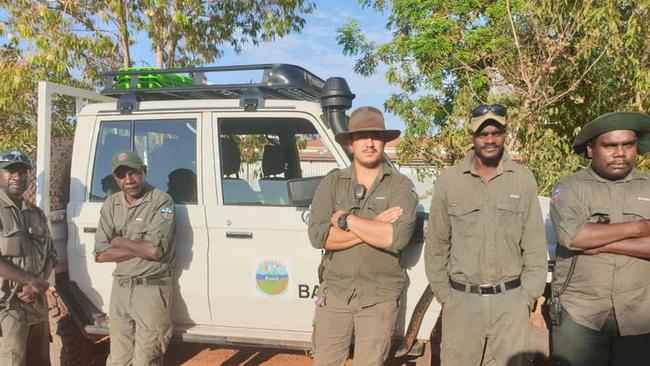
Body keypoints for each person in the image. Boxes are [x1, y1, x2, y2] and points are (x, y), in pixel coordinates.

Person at [426, 104, 547, 366]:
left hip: (511, 303)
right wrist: (446, 298)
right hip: (462, 303)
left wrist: (526, 299)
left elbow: (535, 246)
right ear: (471, 135)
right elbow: (436, 245)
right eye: (483, 133)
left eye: (497, 132)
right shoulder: (449, 181)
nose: (490, 139)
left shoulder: (523, 179)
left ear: (505, 134)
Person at [307, 106, 418, 366]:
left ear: (384, 141)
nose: (369, 142)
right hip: (334, 294)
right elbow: (318, 236)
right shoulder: (331, 183)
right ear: (351, 142)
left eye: (376, 136)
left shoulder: (401, 186)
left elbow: (396, 238)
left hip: (379, 298)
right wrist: (374, 226)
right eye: (362, 136)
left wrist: (347, 220)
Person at [549, 112, 650, 366]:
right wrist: (640, 227)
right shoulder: (570, 188)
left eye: (628, 144)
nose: (620, 153)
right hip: (580, 315)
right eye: (610, 145)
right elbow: (572, 236)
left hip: (639, 315)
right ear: (591, 149)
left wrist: (601, 241)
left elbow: (584, 239)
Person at [94, 151, 176, 366]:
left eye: (134, 173)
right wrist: (139, 247)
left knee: (147, 359)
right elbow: (100, 254)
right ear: (115, 179)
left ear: (144, 172)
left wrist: (119, 241)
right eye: (122, 175)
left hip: (151, 289)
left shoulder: (161, 201)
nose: (129, 180)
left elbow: (154, 251)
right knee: (118, 360)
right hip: (120, 288)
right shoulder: (111, 205)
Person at [0, 149, 56, 365]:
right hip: (8, 308)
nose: (17, 176)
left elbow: (51, 255)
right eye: (10, 171)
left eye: (23, 172)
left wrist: (37, 284)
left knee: (40, 361)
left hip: (36, 305)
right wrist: (30, 281)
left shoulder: (36, 213)